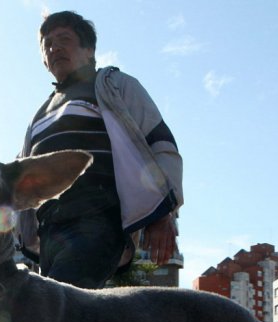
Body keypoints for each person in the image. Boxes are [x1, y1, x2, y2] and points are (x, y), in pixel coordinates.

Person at [18, 10, 182, 288]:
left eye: (63, 39)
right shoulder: (39, 115)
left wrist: (164, 211)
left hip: (97, 215)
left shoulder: (113, 86)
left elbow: (160, 143)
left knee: (60, 308)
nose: (53, 47)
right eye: (46, 44)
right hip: (51, 230)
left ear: (89, 49)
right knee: (59, 315)